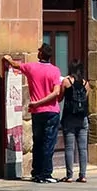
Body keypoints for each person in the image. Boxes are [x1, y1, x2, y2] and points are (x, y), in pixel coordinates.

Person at [12, 43, 63, 182]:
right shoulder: (55, 70)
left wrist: (8, 59)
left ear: (41, 54)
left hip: (37, 112)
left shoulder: (31, 67)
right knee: (48, 144)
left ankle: (37, 172)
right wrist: (40, 102)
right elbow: (56, 92)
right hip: (52, 111)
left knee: (38, 142)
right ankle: (46, 173)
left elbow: (15, 65)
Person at [59, 60, 90, 183]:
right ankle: (83, 175)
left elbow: (60, 97)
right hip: (82, 118)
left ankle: (69, 175)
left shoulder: (66, 82)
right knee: (83, 148)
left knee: (69, 147)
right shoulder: (86, 83)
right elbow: (85, 98)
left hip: (69, 118)